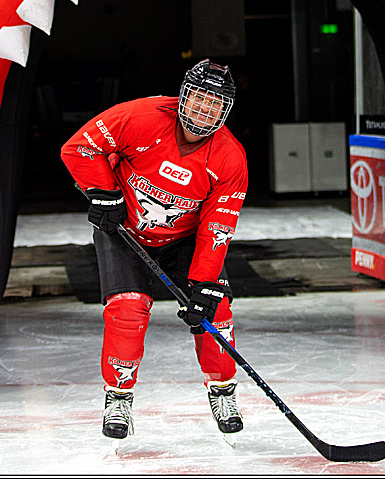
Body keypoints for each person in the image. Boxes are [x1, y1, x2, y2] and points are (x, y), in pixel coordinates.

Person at [60, 59, 249, 441]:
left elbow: (217, 226)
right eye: (198, 99)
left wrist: (204, 283)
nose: (204, 110)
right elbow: (78, 148)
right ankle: (118, 398)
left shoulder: (230, 157)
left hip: (185, 240)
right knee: (127, 307)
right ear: (182, 96)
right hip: (124, 230)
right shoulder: (141, 117)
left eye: (215, 104)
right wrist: (105, 194)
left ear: (226, 111)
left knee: (216, 310)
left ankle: (223, 390)